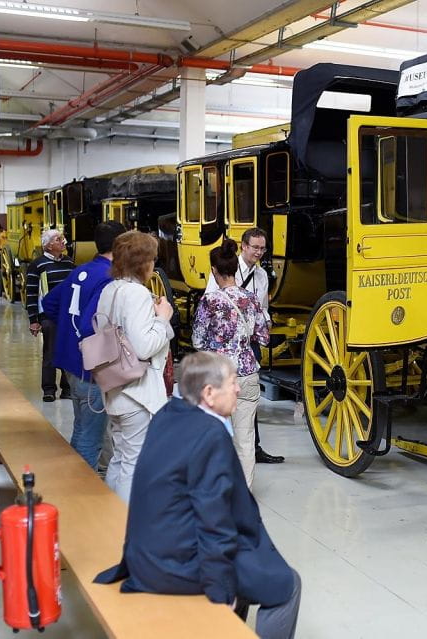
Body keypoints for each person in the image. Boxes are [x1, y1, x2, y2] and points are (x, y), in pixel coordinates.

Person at [94, 352, 301, 639]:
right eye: (232, 383)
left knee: (249, 568)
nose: (239, 389)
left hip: (147, 554)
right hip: (176, 565)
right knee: (287, 584)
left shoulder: (168, 415)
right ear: (209, 393)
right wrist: (220, 589)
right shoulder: (210, 435)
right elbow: (214, 521)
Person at [95, 230, 174, 502]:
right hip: (136, 393)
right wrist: (163, 319)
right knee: (134, 465)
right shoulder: (138, 294)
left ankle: (110, 518)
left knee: (120, 458)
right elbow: (143, 347)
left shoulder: (110, 290)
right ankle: (126, 526)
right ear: (144, 262)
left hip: (115, 388)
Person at [41, 222, 126, 468]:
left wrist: (69, 327)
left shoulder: (81, 270)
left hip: (68, 359)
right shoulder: (109, 277)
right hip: (89, 365)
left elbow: (49, 303)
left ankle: (73, 479)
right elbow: (93, 324)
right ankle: (80, 492)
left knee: (81, 427)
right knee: (90, 437)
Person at [193, 239, 270, 489]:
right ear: (235, 268)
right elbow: (264, 337)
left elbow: (197, 340)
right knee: (245, 440)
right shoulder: (251, 299)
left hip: (219, 377)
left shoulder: (210, 302)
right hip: (248, 374)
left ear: (214, 271)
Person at [205, 228, 284, 464]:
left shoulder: (261, 277)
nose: (259, 252)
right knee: (222, 397)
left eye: (263, 248)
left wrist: (265, 325)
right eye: (255, 247)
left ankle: (253, 448)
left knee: (249, 399)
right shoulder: (227, 267)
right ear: (244, 246)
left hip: (250, 344)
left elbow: (264, 310)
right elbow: (211, 301)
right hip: (226, 345)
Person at [25, 228, 75, 402]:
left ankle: (67, 387)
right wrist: (33, 320)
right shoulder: (37, 265)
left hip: (67, 315)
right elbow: (31, 293)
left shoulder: (69, 262)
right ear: (48, 245)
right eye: (58, 239)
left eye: (62, 238)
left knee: (68, 350)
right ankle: (48, 389)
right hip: (48, 315)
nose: (63, 241)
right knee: (50, 351)